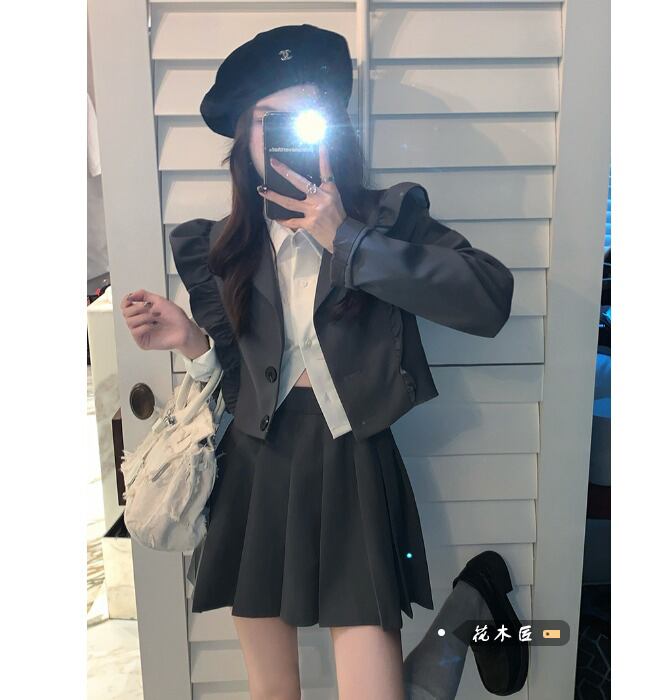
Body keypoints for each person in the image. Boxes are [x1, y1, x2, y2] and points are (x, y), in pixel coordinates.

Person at [120, 23, 527, 700]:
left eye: (303, 119)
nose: (283, 136)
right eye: (268, 120)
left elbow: (488, 300)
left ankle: (465, 613)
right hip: (253, 471)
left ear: (333, 131)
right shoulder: (222, 249)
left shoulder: (387, 221)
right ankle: (466, 612)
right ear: (245, 139)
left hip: (353, 464)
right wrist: (192, 343)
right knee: (272, 690)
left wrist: (349, 240)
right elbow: (235, 385)